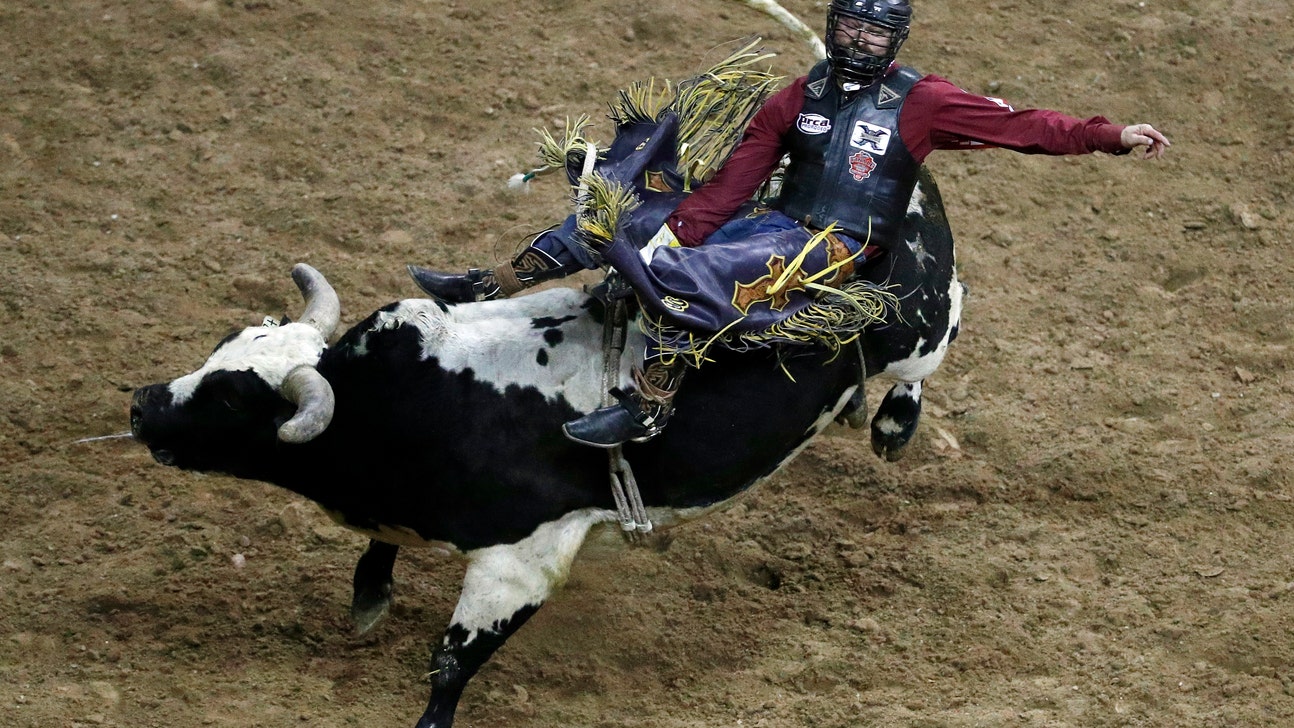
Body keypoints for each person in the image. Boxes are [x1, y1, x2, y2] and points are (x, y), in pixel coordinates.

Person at [409, 0, 1172, 448]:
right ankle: (489, 282)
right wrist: (679, 228)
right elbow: (736, 180)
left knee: (695, 274)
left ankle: (650, 402)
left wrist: (1109, 135)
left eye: (873, 35)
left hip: (836, 246)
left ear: (894, 41)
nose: (856, 43)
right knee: (631, 212)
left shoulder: (924, 100)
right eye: (848, 28)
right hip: (772, 220)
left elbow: (1026, 125)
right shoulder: (793, 98)